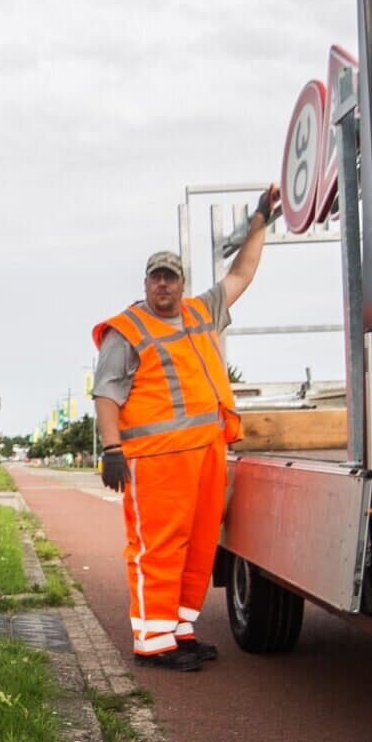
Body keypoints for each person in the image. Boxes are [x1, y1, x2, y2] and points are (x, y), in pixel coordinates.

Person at [91, 185, 278, 670]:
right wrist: (111, 449)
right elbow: (106, 393)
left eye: (171, 278)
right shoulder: (127, 330)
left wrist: (259, 221)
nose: (164, 286)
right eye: (156, 278)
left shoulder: (201, 310)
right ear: (147, 282)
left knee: (197, 546)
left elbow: (243, 272)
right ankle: (152, 644)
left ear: (181, 282)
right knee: (158, 547)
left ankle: (179, 630)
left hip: (206, 452)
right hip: (156, 461)